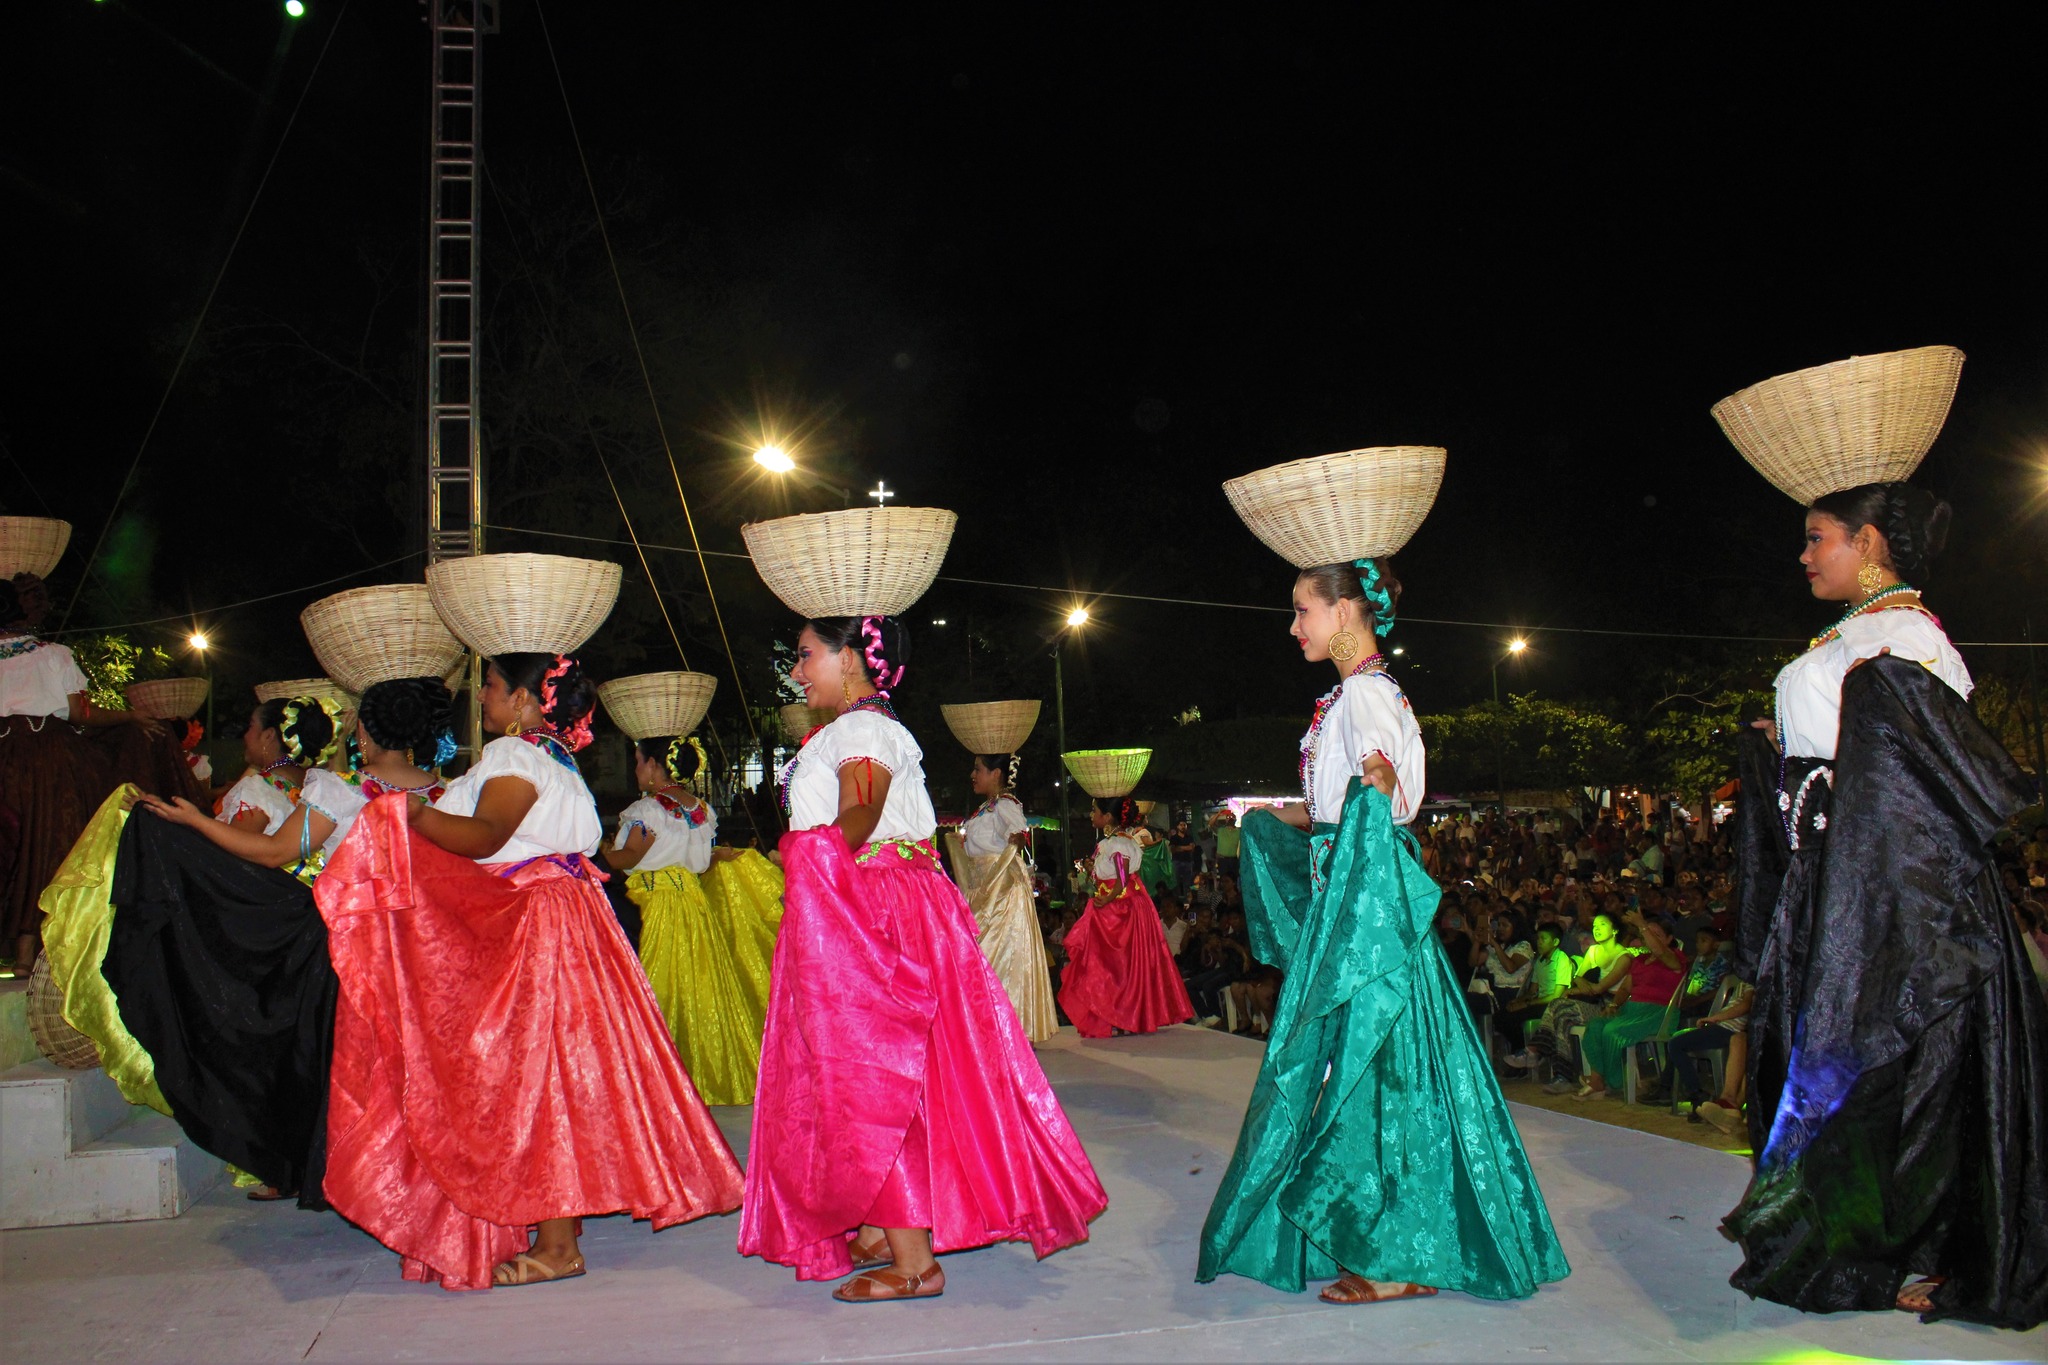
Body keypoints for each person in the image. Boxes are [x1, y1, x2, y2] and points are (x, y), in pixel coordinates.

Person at [1197, 522, 1567, 1305]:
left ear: (1347, 609)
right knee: (1384, 1070)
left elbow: (1378, 781)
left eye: (1303, 608)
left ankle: (1396, 1256)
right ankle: (1387, 1235)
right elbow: (1346, 799)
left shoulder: (1364, 693)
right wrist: (1276, 818)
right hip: (1365, 905)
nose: (1294, 625)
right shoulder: (1358, 692)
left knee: (1379, 1072)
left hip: (1370, 918)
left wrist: (1360, 807)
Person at [1717, 475, 2048, 1327]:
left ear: (1867, 544)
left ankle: (1912, 1252)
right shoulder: (1855, 635)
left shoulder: (1906, 638)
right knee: (1824, 1061)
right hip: (1833, 886)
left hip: (1896, 901)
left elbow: (1930, 771)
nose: (1803, 554)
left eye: (1817, 537)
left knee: (1895, 1067)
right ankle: (1847, 1236)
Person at [316, 648, 745, 1289]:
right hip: (567, 920)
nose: (483, 698)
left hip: (533, 928)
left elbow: (486, 835)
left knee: (531, 1083)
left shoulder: (514, 756)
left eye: (490, 687)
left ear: (523, 699)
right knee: (557, 1081)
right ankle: (554, 1234)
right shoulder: (553, 760)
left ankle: (557, 1243)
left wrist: (418, 817)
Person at [739, 612, 1104, 1302]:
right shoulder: (855, 728)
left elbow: (861, 812)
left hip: (872, 902)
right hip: (885, 898)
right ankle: (884, 1224)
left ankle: (913, 1262)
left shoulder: (861, 730)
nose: (796, 670)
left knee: (875, 1072)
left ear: (851, 659)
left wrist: (811, 858)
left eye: (807, 654)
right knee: (892, 1069)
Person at [102, 684, 434, 1203]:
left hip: (351, 945)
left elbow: (274, 853)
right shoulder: (445, 792)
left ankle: (333, 1172)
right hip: (425, 949)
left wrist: (191, 822)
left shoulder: (344, 790)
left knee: (326, 1059)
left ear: (363, 731)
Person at [0, 571, 194, 973]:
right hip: (46, 756)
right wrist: (131, 716)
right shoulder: (53, 654)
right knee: (47, 846)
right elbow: (79, 713)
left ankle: (23, 951)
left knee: (12, 847)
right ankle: (27, 954)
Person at [603, 733, 781, 1106]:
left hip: (657, 905)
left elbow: (631, 857)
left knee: (655, 984)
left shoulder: (648, 811)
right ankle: (702, 1073)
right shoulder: (699, 810)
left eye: (638, 761)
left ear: (654, 766)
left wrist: (592, 854)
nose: (636, 769)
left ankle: (654, 1076)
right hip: (693, 903)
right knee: (699, 989)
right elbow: (700, 858)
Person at [1058, 794, 1196, 1038]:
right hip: (1113, 906)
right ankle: (1118, 1015)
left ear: (1107, 816)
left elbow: (1122, 878)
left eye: (1094, 810)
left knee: (1120, 965)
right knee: (1113, 966)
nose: (1091, 815)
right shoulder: (1111, 841)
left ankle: (1125, 1015)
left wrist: (1108, 899)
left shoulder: (1119, 843)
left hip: (1121, 909)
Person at [955, 751, 1057, 1043]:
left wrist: (1016, 841)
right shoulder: (985, 808)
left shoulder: (1005, 805)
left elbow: (1017, 834)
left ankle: (1003, 1031)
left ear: (996, 774)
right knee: (980, 958)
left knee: (993, 959)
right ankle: (988, 1029)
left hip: (999, 894)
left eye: (978, 769)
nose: (973, 775)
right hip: (981, 890)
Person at [1573, 910, 1688, 1101]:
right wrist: (1615, 1005)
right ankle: (1597, 1079)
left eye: (1656, 935)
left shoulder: (1675, 958)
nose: (1649, 938)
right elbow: (1625, 989)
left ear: (1668, 939)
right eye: (1646, 934)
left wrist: (1641, 923)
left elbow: (1659, 951)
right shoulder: (1640, 960)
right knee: (1595, 1025)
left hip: (1657, 1012)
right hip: (1631, 1009)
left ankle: (1614, 1081)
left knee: (1612, 1030)